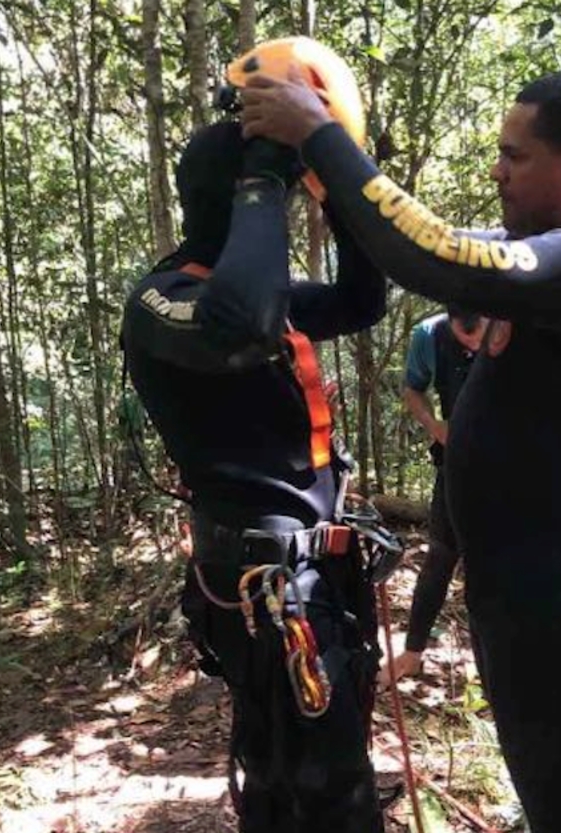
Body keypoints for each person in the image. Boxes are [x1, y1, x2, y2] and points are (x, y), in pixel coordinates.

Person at [241, 68, 561, 833]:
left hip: (558, 596)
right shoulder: (551, 254)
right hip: (525, 581)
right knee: (548, 793)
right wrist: (331, 185)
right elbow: (428, 247)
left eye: (515, 155)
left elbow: (435, 259)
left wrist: (320, 135)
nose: (496, 169)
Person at [121, 121, 388, 832]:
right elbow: (240, 324)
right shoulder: (163, 299)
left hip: (312, 575)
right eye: (270, 199)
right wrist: (265, 180)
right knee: (324, 783)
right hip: (262, 586)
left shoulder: (261, 297)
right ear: (237, 200)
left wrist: (343, 194)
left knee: (300, 767)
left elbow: (363, 301)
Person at [378, 305, 487, 686]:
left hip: (511, 471)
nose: (473, 343)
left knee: (494, 567)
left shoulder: (514, 325)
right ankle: (412, 652)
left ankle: (495, 663)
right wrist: (433, 425)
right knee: (441, 556)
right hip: (455, 465)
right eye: (464, 336)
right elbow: (412, 389)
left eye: (480, 335)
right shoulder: (429, 335)